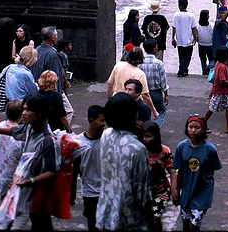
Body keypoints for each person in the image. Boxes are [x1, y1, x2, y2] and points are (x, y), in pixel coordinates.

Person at [0, 93, 62, 231]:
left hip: (36, 195)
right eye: (23, 109)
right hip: (23, 193)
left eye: (28, 110)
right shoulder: (29, 128)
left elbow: (52, 172)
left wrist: (30, 180)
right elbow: (14, 131)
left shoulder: (47, 141)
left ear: (40, 114)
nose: (23, 113)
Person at [96, 93, 154, 232]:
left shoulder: (106, 135)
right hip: (129, 221)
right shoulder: (137, 149)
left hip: (106, 213)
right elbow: (143, 194)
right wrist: (153, 224)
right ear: (133, 116)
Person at [172, 115, 222, 231]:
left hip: (202, 192)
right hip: (186, 191)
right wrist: (176, 190)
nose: (193, 130)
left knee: (194, 224)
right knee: (185, 223)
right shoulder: (182, 147)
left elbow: (212, 169)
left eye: (197, 128)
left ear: (203, 129)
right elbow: (180, 170)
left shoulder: (210, 149)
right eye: (190, 127)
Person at [71, 105, 105, 232]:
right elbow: (74, 171)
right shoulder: (79, 143)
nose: (104, 124)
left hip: (106, 190)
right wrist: (72, 194)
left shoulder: (107, 139)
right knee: (93, 223)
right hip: (89, 192)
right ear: (91, 121)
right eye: (101, 120)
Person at [106, 47, 159, 119]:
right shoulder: (140, 73)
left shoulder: (118, 65)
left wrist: (110, 99)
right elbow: (145, 95)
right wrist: (154, 111)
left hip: (117, 100)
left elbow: (110, 83)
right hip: (132, 104)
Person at [143, 121, 177, 232]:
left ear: (156, 136)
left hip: (160, 191)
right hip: (142, 192)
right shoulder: (138, 150)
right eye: (143, 136)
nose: (145, 139)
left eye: (148, 136)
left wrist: (173, 188)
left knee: (155, 217)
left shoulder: (165, 151)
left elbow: (172, 169)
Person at [203, 46, 228, 134]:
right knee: (212, 108)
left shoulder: (218, 64)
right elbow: (222, 80)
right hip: (220, 91)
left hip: (223, 91)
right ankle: (202, 124)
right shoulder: (223, 67)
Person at [139, 38, 169, 127]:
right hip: (156, 92)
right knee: (161, 112)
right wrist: (166, 94)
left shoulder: (140, 63)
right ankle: (155, 128)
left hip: (143, 93)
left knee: (145, 114)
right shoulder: (158, 63)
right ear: (153, 49)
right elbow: (163, 81)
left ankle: (145, 130)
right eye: (156, 47)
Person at [31, 26, 64, 93]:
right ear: (53, 37)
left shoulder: (37, 49)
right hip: (48, 91)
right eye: (56, 35)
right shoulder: (52, 54)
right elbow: (54, 76)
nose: (57, 37)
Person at [172, 0, 198, 78]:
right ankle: (182, 70)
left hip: (179, 39)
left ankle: (183, 70)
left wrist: (173, 38)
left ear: (180, 6)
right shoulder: (191, 15)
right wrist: (195, 38)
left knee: (181, 56)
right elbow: (193, 28)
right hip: (188, 40)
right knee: (187, 57)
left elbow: (174, 27)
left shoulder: (176, 15)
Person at [56, 37, 75, 125]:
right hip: (62, 77)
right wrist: (65, 80)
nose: (71, 47)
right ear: (65, 47)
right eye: (69, 45)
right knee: (64, 92)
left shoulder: (62, 55)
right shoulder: (63, 56)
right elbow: (62, 69)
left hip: (63, 76)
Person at [197, 10, 214, 75]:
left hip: (201, 45)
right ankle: (209, 68)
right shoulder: (211, 25)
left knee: (203, 60)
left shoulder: (198, 26)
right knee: (212, 59)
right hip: (210, 45)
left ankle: (204, 71)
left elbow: (196, 36)